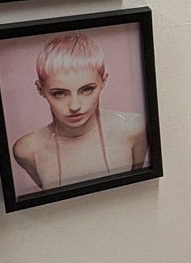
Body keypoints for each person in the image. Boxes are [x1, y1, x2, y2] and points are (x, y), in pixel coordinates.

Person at [12, 32, 148, 191]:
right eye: (59, 93)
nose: (75, 106)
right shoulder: (27, 150)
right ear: (40, 89)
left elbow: (135, 191)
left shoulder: (136, 128)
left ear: (103, 81)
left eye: (87, 89)